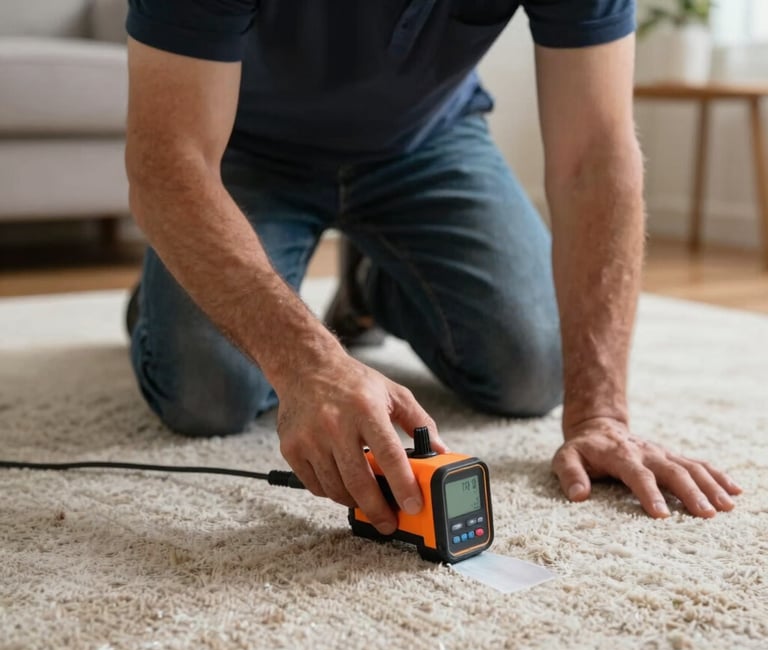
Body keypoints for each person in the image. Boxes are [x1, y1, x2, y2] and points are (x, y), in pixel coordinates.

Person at [124, 0, 741, 535]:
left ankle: (369, 287)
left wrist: (602, 413)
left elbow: (594, 156)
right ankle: (168, 286)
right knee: (208, 392)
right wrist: (308, 360)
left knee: (531, 370)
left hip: (425, 144)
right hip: (243, 150)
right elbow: (167, 163)